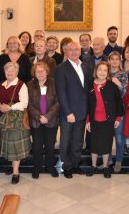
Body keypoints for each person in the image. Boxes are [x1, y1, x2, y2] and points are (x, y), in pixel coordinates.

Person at [55, 42, 89, 179]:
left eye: (77, 49)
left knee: (78, 140)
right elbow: (61, 92)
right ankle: (66, 166)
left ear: (80, 51)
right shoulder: (61, 68)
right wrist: (68, 112)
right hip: (68, 113)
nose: (74, 52)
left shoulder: (86, 66)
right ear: (66, 52)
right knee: (66, 141)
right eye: (71, 50)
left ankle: (75, 164)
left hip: (82, 111)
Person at [86, 62, 124, 178]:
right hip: (94, 120)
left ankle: (106, 166)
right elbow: (86, 104)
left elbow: (118, 102)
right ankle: (93, 166)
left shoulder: (112, 86)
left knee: (107, 143)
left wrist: (118, 118)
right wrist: (87, 120)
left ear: (107, 73)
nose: (102, 72)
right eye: (100, 70)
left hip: (108, 120)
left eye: (104, 70)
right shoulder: (89, 85)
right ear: (96, 71)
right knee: (94, 143)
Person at [0, 62, 31, 184]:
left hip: (17, 120)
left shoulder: (21, 85)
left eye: (12, 70)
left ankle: (16, 173)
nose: (9, 72)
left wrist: (10, 107)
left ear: (16, 72)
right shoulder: (0, 84)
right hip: (5, 119)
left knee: (15, 146)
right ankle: (13, 167)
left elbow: (24, 103)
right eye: (7, 70)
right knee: (9, 146)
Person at [27, 62, 60, 179]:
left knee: (50, 146)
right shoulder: (30, 84)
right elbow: (29, 103)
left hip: (51, 120)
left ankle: (50, 167)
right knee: (36, 146)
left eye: (42, 71)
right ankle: (37, 167)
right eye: (37, 71)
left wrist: (48, 116)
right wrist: (39, 116)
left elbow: (58, 101)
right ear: (34, 73)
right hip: (36, 121)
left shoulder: (54, 83)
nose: (40, 73)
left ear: (47, 72)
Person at [108, 51, 128, 173]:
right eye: (112, 59)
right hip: (106, 111)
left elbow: (125, 93)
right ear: (109, 60)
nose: (115, 61)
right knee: (108, 137)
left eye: (117, 59)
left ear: (120, 61)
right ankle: (109, 160)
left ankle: (119, 161)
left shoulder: (123, 74)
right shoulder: (105, 72)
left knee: (119, 138)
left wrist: (118, 84)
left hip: (119, 110)